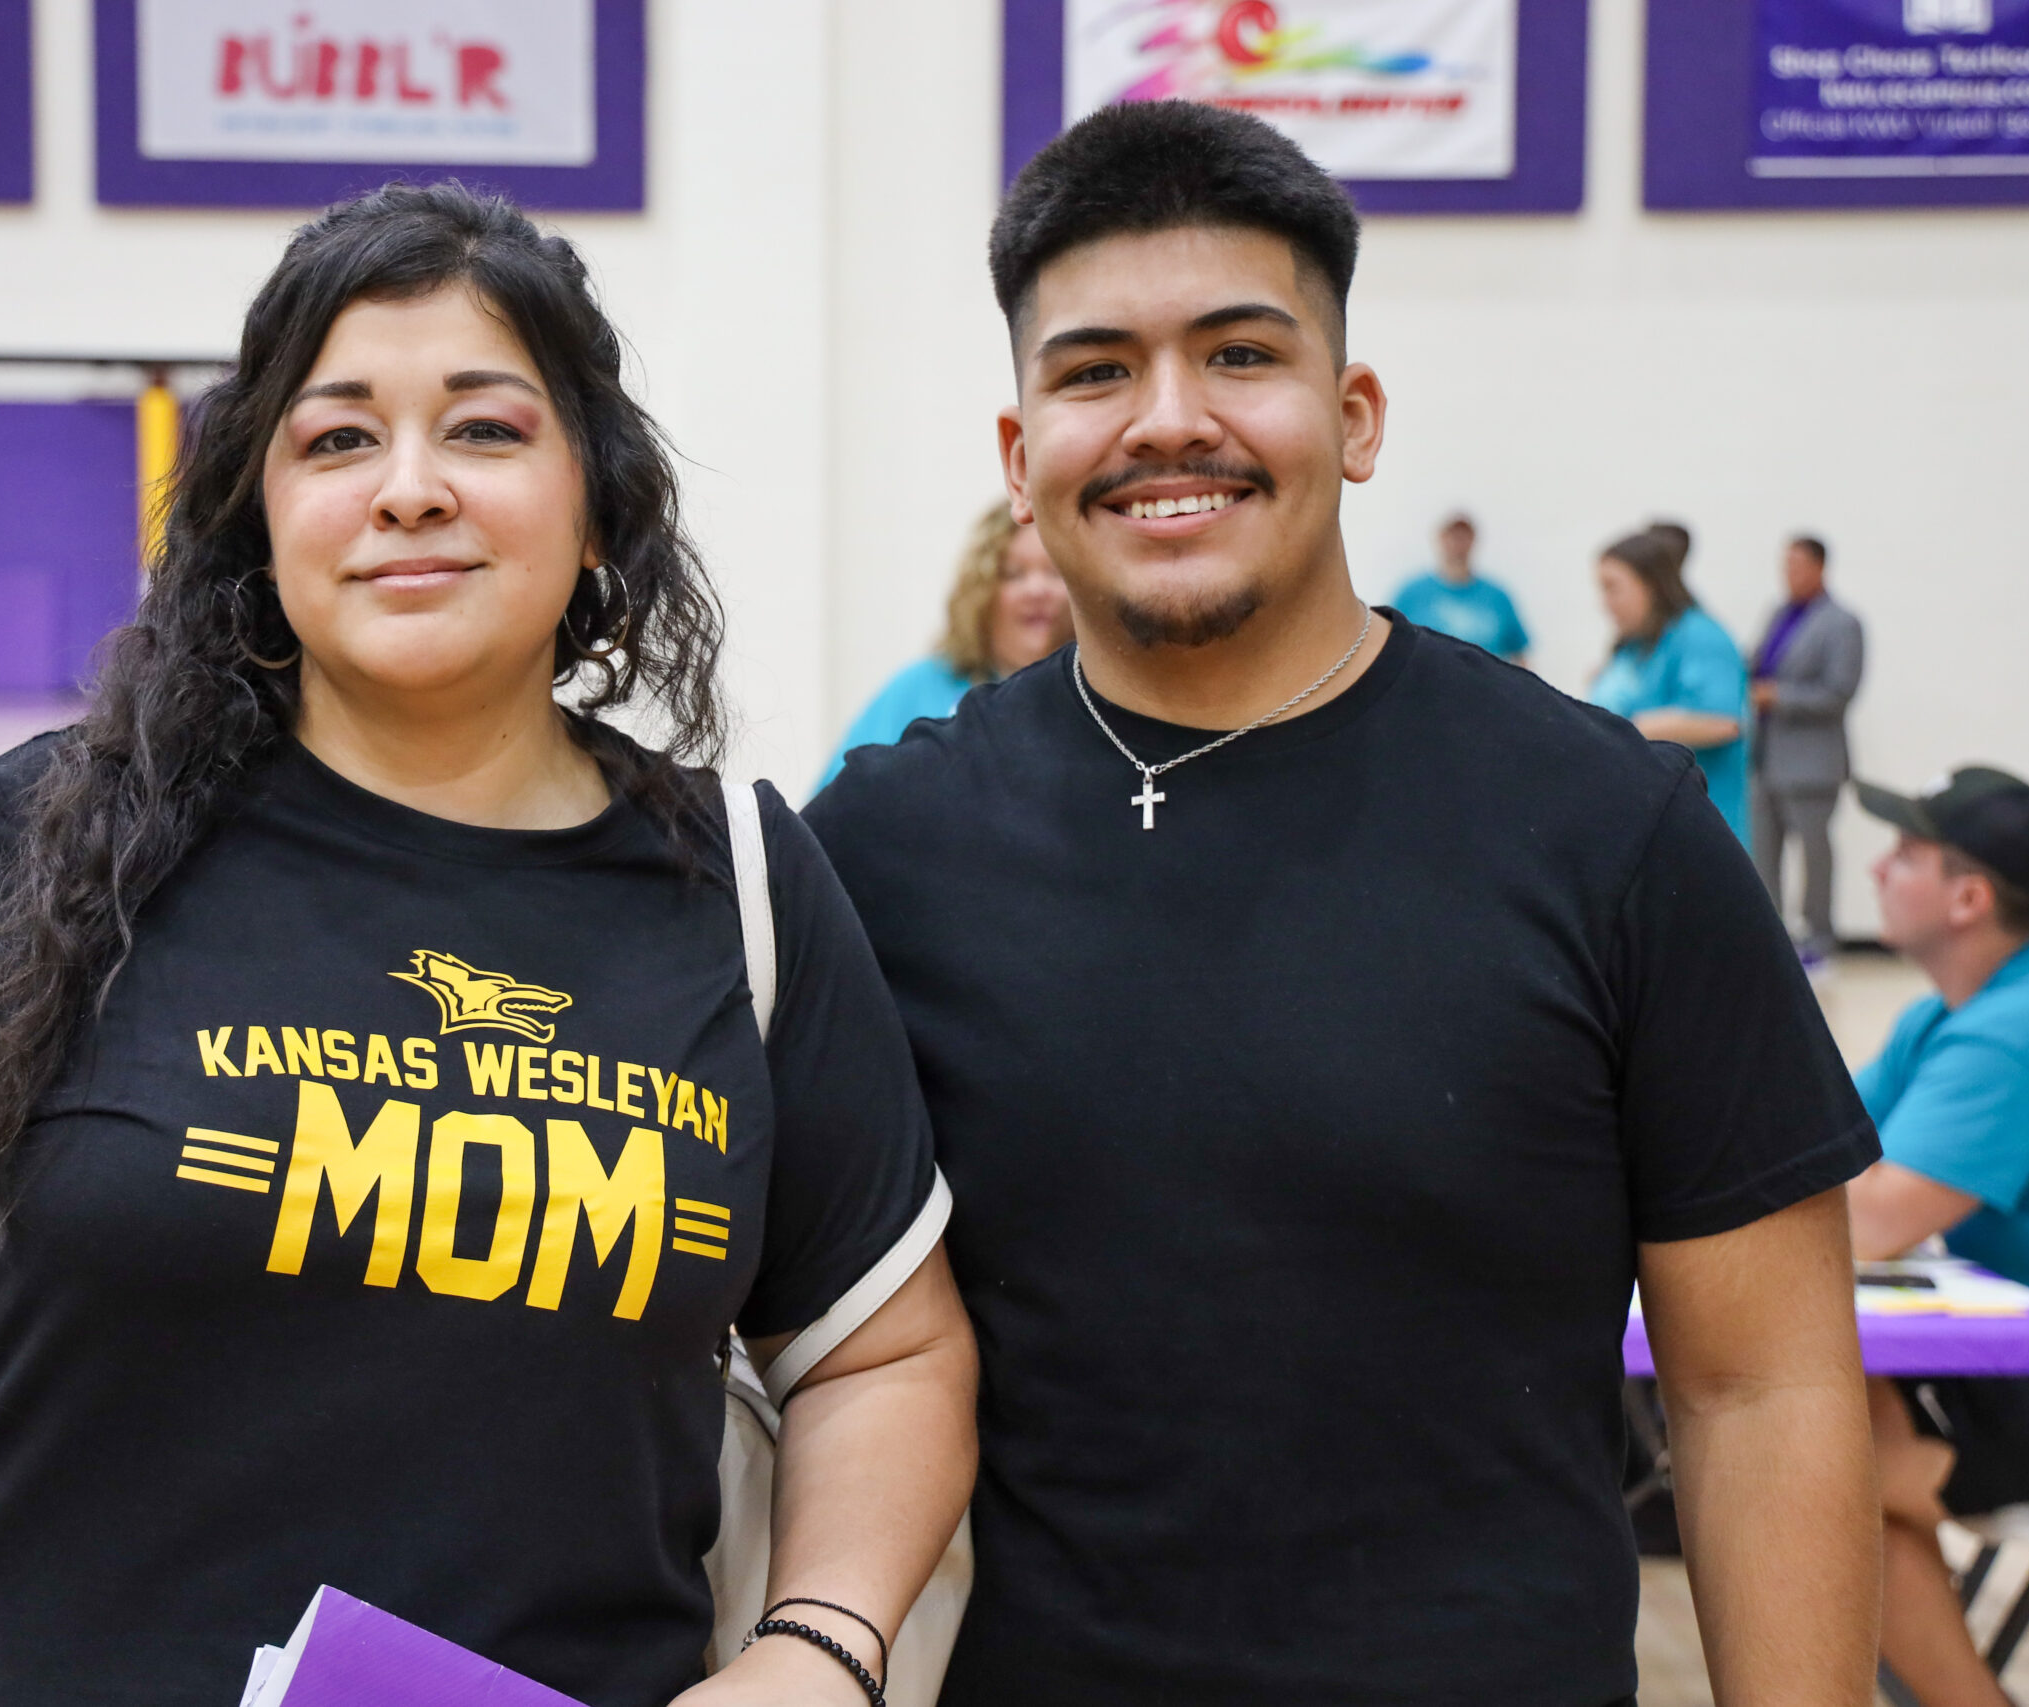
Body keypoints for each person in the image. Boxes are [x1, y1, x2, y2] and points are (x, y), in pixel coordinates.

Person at [0, 184, 976, 1707]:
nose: (409, 487)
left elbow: (882, 1355)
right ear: (258, 516)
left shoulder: (736, 884)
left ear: (596, 500)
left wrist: (820, 1646)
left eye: (485, 428)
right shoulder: (52, 835)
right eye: (337, 438)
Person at [805, 100, 1881, 1705]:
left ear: (1355, 411)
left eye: (1241, 353)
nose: (1169, 419)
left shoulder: (1609, 828)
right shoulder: (884, 849)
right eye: (1097, 369)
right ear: (1024, 458)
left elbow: (1763, 1386)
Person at [1842, 766, 2029, 1707]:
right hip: (2001, 1371)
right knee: (1821, 1433)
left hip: (2025, 1387)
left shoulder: (2015, 1030)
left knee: (1820, 1480)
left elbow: (1872, 1216)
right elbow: (1812, 1153)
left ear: (1967, 896)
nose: (1878, 868)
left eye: (1907, 854)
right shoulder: (1942, 1016)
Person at [817, 504, 1071, 790]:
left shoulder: (1096, 700)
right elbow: (829, 814)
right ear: (981, 593)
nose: (1036, 590)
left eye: (1055, 571)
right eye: (1012, 574)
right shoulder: (919, 688)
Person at [1588, 530, 1753, 843]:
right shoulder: (1635, 647)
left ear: (1650, 585)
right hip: (1647, 831)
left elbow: (1721, 721)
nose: (1604, 604)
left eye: (1612, 588)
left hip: (1701, 836)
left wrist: (1613, 731)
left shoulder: (1699, 635)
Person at [1750, 535, 1866, 972]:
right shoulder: (1779, 614)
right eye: (1786, 565)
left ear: (1820, 567)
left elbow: (1838, 692)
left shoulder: (1841, 623)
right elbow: (1757, 665)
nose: (1790, 574)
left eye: (1798, 565)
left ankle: (1820, 939)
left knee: (1815, 857)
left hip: (1812, 764)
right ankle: (1770, 936)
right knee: (1763, 855)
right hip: (1767, 758)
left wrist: (1777, 696)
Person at [1388, 511, 1528, 662]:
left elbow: (1519, 653)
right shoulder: (1411, 594)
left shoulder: (1498, 597)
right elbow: (1390, 645)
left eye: (1464, 537)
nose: (1458, 544)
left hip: (1485, 683)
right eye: (1453, 536)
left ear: (1473, 541)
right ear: (1441, 539)